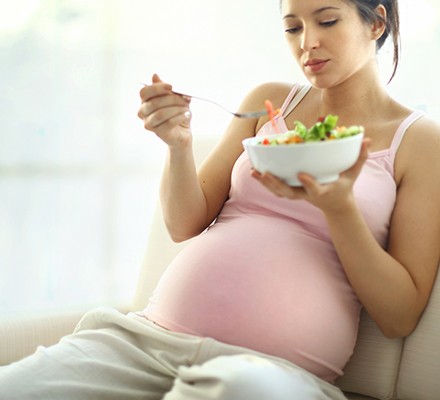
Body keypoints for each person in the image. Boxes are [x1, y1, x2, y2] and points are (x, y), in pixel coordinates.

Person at [1, 0, 439, 399]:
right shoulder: (268, 102)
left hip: (270, 374)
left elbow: (398, 316)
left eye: (326, 21)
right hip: (145, 344)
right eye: (292, 28)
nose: (308, 43)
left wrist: (339, 208)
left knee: (234, 388)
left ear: (376, 22)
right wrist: (178, 145)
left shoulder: (420, 143)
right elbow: (183, 223)